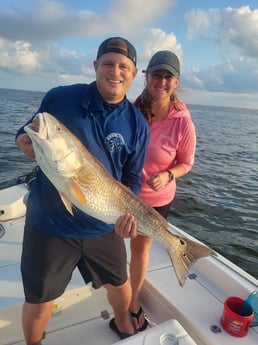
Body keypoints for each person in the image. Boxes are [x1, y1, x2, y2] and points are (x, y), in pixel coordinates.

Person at [15, 37, 150, 344]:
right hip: (50, 224)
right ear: (95, 66)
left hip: (103, 223)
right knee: (39, 302)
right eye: (108, 64)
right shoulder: (60, 98)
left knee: (121, 287)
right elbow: (30, 129)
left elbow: (132, 180)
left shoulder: (137, 124)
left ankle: (122, 323)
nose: (115, 72)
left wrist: (129, 219)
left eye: (123, 67)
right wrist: (21, 141)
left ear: (134, 73)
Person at [128, 50, 196, 331]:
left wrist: (168, 174)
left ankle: (132, 302)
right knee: (116, 241)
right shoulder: (131, 110)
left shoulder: (183, 122)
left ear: (176, 82)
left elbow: (186, 163)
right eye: (157, 74)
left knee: (140, 249)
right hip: (126, 194)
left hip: (157, 200)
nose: (162, 80)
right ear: (146, 76)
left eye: (168, 76)